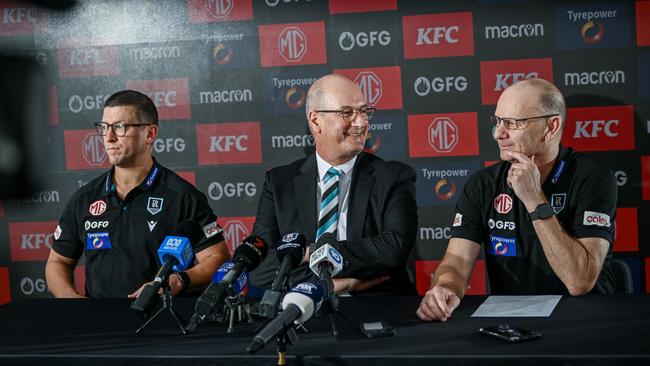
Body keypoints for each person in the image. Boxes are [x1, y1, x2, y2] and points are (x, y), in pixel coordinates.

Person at [417, 78, 617, 321]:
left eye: (513, 123)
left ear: (551, 127)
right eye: (498, 121)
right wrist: (445, 287)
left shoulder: (593, 178)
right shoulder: (482, 184)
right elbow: (457, 260)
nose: (498, 133)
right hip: (512, 322)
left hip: (583, 322)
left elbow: (579, 281)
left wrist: (535, 199)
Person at [45, 90, 230, 298]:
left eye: (120, 127)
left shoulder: (183, 196)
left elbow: (217, 258)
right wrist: (72, 300)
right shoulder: (85, 198)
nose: (109, 137)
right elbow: (57, 262)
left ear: (150, 134)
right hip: (98, 324)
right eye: (104, 127)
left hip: (161, 321)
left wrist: (177, 281)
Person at [249, 74, 418, 295]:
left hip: (378, 309)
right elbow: (259, 267)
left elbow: (393, 251)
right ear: (315, 120)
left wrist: (308, 254)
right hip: (303, 315)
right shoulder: (279, 182)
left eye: (364, 111)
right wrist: (329, 286)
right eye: (347, 112)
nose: (361, 122)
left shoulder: (394, 177)